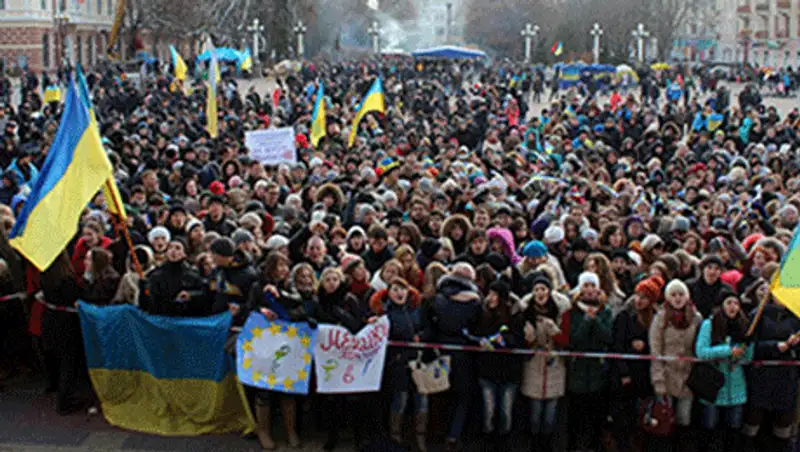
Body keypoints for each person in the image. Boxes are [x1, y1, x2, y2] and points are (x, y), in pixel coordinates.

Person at [369, 277, 429, 451]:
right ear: (389, 292)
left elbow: (428, 328)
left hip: (418, 361)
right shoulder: (385, 314)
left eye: (402, 289)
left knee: (422, 400)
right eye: (395, 289)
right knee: (400, 401)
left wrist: (421, 336)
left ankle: (420, 437)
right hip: (398, 363)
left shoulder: (417, 310)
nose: (399, 293)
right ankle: (395, 438)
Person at [430, 263, 482, 452]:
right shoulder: (474, 301)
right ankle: (454, 435)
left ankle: (437, 434)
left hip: (440, 351)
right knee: (463, 397)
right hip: (464, 353)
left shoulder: (438, 298)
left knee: (441, 393)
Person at [694, 294, 753, 452]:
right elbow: (701, 351)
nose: (733, 306)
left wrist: (748, 345)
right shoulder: (709, 324)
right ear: (721, 305)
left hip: (735, 386)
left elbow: (747, 359)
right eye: (729, 303)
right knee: (710, 427)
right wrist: (727, 351)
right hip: (713, 386)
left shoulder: (743, 325)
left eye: (736, 303)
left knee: (733, 429)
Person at [649, 279, 702, 451]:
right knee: (665, 418)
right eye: (673, 295)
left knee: (684, 418)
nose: (677, 298)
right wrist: (658, 379)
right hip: (666, 374)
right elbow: (655, 349)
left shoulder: (696, 318)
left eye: (681, 294)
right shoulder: (661, 318)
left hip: (688, 376)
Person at [520, 271, 570, 452]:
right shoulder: (526, 313)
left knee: (550, 413)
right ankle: (534, 443)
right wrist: (529, 337)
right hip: (534, 364)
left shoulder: (560, 311)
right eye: (536, 289)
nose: (540, 293)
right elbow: (523, 342)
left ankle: (547, 444)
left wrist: (554, 332)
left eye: (543, 289)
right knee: (535, 412)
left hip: (554, 365)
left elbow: (565, 341)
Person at [142, 238, 208, 316]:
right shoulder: (155, 275)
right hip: (163, 319)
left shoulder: (194, 274)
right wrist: (144, 287)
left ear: (184, 253)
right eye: (170, 248)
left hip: (188, 320)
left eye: (178, 248)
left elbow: (205, 295)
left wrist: (191, 296)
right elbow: (149, 302)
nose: (173, 251)